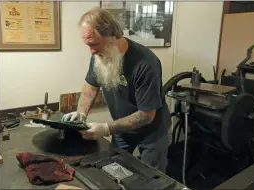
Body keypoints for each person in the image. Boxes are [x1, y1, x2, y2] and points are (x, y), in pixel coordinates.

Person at [61, 7, 172, 173]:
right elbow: (91, 86)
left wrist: (106, 128)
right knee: (114, 170)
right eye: (88, 45)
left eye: (94, 44)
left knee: (152, 178)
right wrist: (81, 113)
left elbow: (147, 115)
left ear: (113, 36)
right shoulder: (100, 55)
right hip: (122, 129)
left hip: (151, 133)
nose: (91, 51)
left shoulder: (146, 63)